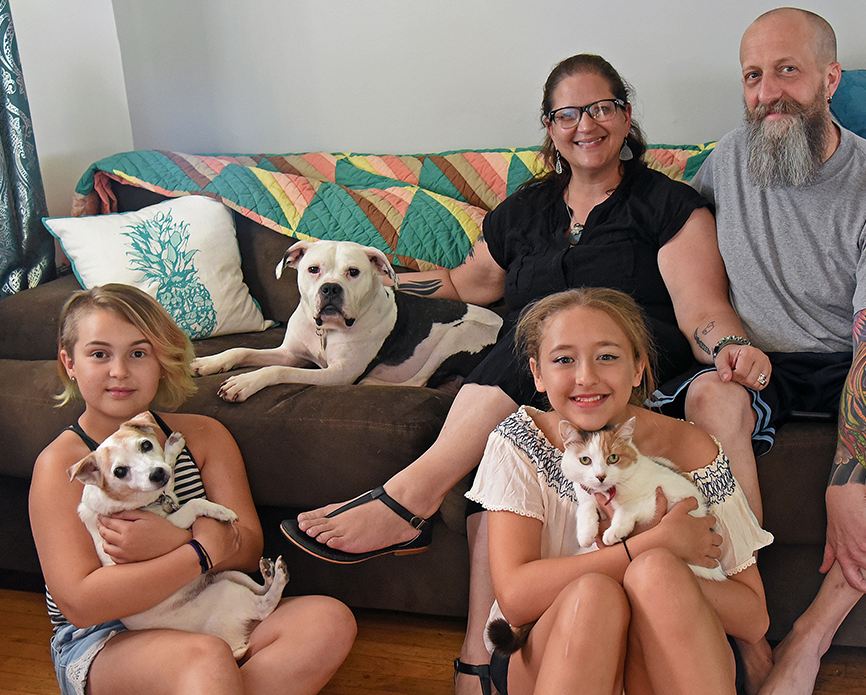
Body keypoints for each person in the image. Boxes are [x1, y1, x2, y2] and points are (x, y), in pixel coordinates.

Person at [282, 54, 770, 694]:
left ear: (625, 116)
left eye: (600, 108)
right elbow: (465, 284)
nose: (585, 125)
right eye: (568, 113)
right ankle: (479, 653)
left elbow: (700, 307)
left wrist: (730, 342)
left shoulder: (668, 204)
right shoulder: (524, 211)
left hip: (642, 361)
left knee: (526, 349)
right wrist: (370, 282)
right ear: (549, 127)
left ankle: (410, 500)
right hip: (535, 367)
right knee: (519, 346)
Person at [648, 9, 866, 694]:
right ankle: (748, 622)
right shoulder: (725, 164)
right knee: (708, 393)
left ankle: (809, 637)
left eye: (788, 71)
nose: (768, 92)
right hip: (762, 365)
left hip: (857, 356)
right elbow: (688, 268)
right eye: (753, 76)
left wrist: (845, 481)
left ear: (830, 78)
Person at [29, 283, 357, 695]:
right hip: (107, 636)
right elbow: (81, 603)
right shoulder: (63, 466)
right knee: (206, 659)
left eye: (138, 353)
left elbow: (249, 547)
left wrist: (173, 539)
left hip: (206, 606)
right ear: (69, 363)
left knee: (329, 620)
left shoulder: (204, 436)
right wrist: (200, 550)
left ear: (163, 360)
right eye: (99, 354)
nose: (119, 371)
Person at [469, 287, 773, 694]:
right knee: (595, 595)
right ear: (538, 374)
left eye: (607, 356)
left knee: (657, 574)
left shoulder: (691, 447)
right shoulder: (520, 440)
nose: (586, 377)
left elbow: (754, 619)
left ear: (637, 369)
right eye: (563, 360)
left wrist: (654, 567)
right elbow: (516, 600)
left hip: (674, 650)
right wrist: (645, 546)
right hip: (553, 647)